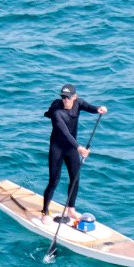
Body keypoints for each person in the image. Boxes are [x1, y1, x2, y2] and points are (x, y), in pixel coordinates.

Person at [41, 83, 107, 223]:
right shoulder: (56, 112)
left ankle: (71, 209)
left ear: (74, 97)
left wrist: (98, 109)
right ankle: (45, 212)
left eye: (68, 97)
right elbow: (64, 132)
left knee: (75, 178)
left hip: (71, 149)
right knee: (54, 181)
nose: (66, 100)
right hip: (57, 149)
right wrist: (79, 148)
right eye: (63, 97)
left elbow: (89, 107)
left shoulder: (79, 103)